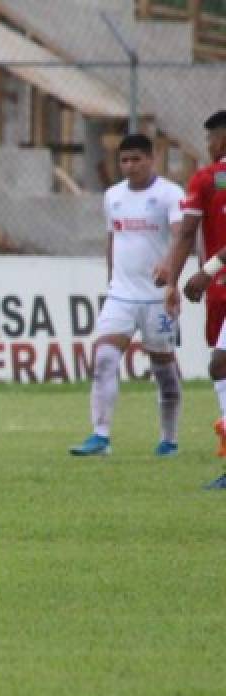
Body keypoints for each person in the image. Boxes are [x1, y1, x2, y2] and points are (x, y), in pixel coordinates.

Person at [69, 133, 184, 457]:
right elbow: (112, 240)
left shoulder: (169, 195)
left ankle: (169, 439)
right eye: (124, 160)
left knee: (163, 369)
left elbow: (180, 236)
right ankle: (100, 436)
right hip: (121, 295)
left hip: (157, 298)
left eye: (136, 159)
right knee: (104, 358)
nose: (130, 166)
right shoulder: (113, 196)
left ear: (151, 159)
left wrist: (171, 273)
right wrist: (110, 283)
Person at [157, 110, 226, 486]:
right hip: (218, 285)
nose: (209, 146)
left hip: (219, 284)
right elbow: (185, 235)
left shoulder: (208, 178)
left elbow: (186, 233)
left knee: (220, 365)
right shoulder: (209, 178)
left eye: (212, 139)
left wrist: (200, 271)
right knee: (220, 365)